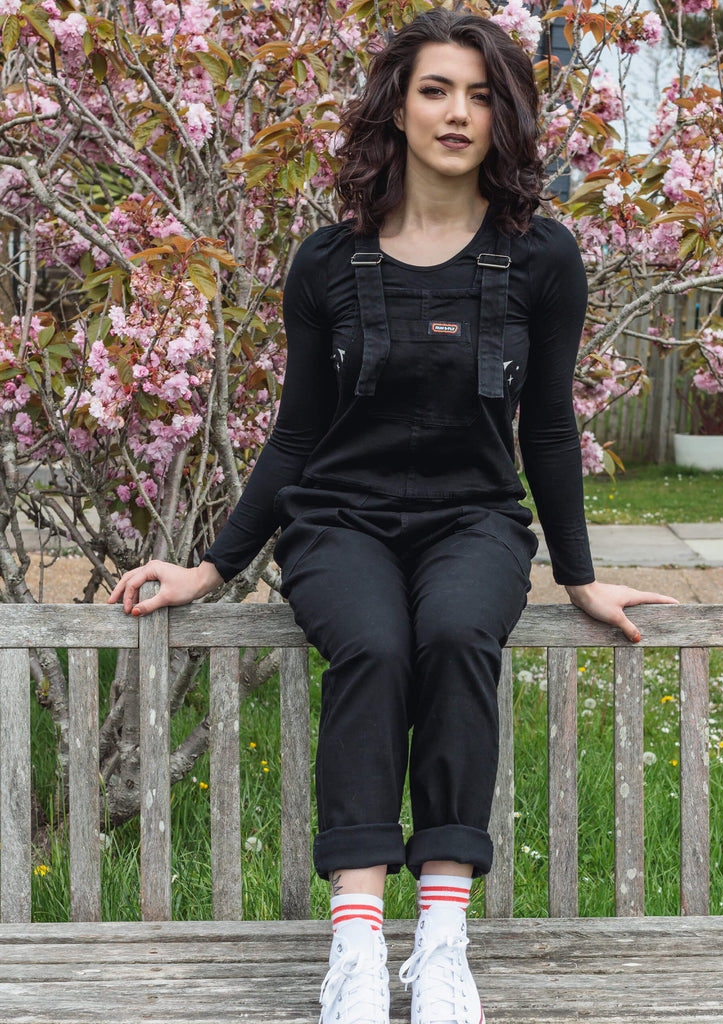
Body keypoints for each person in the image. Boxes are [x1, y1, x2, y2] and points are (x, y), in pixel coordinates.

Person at [110, 8, 677, 1023]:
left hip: (475, 521)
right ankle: (359, 950)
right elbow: (295, 434)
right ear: (399, 108)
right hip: (339, 521)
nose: (458, 113)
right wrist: (214, 565)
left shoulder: (541, 258)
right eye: (435, 90)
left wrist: (579, 575)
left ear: (504, 116)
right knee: (371, 645)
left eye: (480, 95)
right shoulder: (329, 262)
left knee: (457, 634)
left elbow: (549, 428)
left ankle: (444, 946)